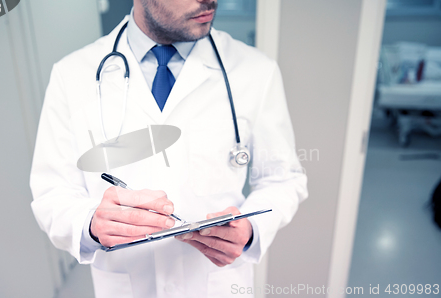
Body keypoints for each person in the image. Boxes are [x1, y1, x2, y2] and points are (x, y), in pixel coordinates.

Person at [30, 0, 308, 297]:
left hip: (217, 285)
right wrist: (90, 224)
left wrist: (251, 227)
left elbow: (283, 178)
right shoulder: (72, 76)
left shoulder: (255, 71)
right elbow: (52, 194)